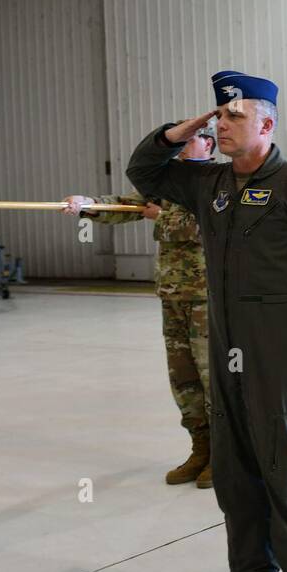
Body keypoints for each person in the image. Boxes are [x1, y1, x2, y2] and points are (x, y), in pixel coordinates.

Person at [126, 70, 287, 572]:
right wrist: (188, 128)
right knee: (236, 473)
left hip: (281, 352)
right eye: (217, 117)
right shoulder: (211, 184)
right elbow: (144, 172)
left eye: (233, 117)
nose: (222, 126)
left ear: (268, 124)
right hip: (226, 350)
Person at [64, 129, 217, 488]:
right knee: (184, 380)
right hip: (171, 294)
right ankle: (201, 449)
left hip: (205, 296)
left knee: (213, 380)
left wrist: (159, 217)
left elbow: (208, 225)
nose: (181, 147)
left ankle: (225, 455)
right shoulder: (168, 181)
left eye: (191, 139)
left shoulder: (216, 181)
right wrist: (87, 204)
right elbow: (127, 205)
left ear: (208, 145)